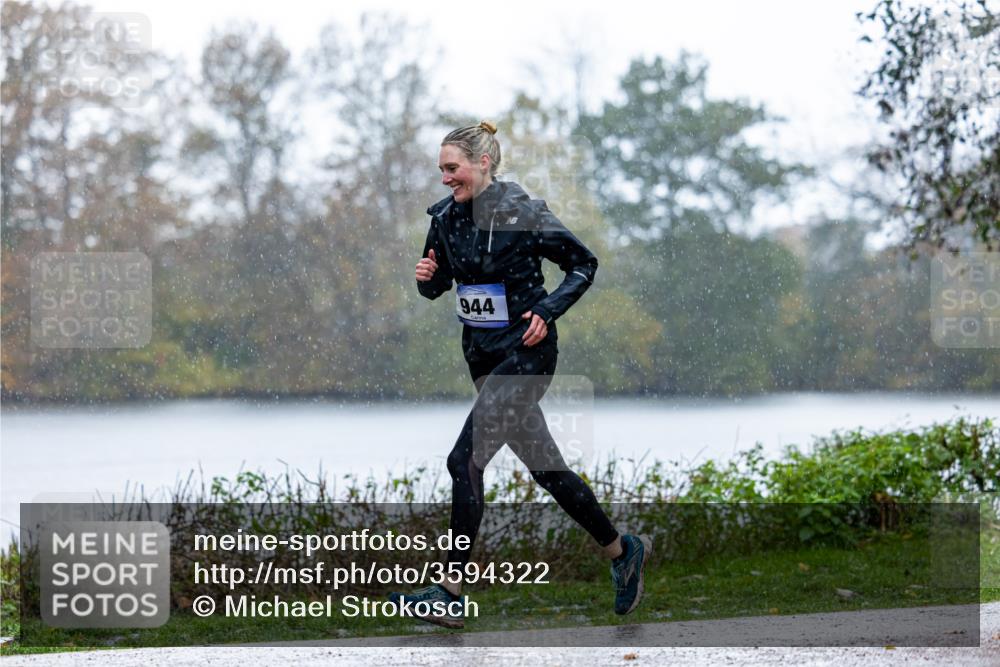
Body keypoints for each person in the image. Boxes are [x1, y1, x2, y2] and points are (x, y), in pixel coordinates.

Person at [389, 121, 651, 629]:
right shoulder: (444, 218)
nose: (445, 178)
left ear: (483, 162)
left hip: (528, 356)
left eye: (453, 168)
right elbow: (440, 284)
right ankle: (623, 552)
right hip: (484, 359)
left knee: (463, 461)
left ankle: (449, 592)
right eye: (441, 169)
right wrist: (427, 279)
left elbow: (583, 264)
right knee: (548, 471)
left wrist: (547, 310)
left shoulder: (523, 213)